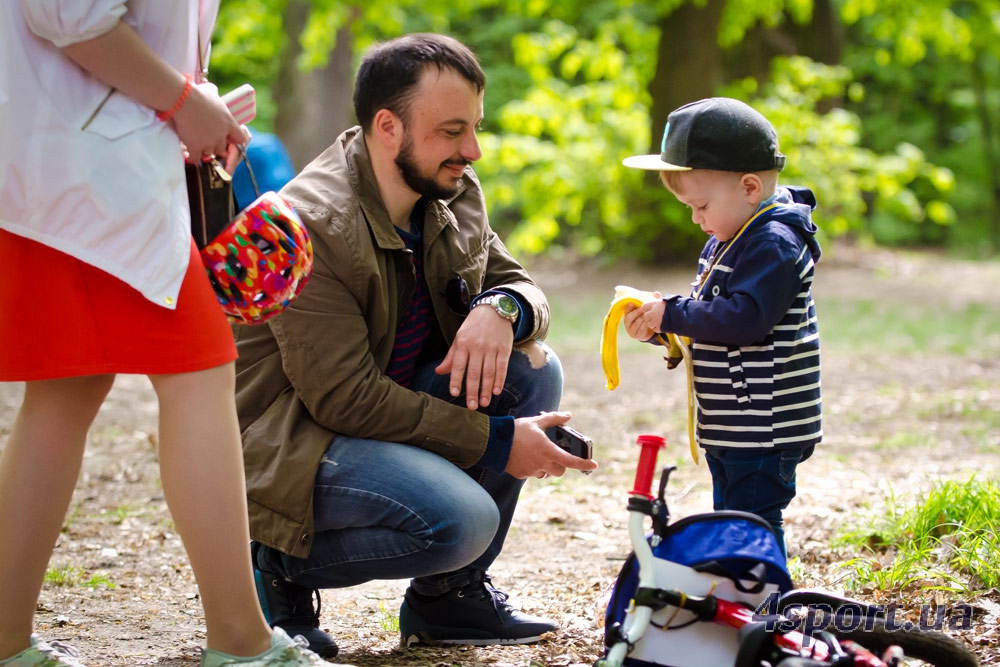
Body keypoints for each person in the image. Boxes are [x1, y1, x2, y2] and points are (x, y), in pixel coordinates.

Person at [232, 32, 598, 656]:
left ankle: (448, 601)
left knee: (532, 371)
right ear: (388, 127)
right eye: (453, 131)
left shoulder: (447, 188)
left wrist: (500, 308)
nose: (473, 150)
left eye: (475, 128)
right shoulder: (307, 222)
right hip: (298, 436)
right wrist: (499, 442)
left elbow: (520, 285)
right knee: (463, 522)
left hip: (388, 402)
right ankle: (277, 561)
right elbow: (344, 399)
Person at [0, 2, 326, 665]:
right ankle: (241, 640)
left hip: (80, 168)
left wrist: (192, 101)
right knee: (199, 368)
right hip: (86, 175)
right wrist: (182, 102)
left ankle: (3, 637)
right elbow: (68, 12)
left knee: (65, 391)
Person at [620, 97, 822, 555]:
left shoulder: (774, 242)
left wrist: (673, 311)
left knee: (751, 523)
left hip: (765, 425)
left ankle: (766, 608)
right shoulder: (728, 236)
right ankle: (738, 598)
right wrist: (660, 329)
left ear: (750, 186)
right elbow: (710, 316)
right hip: (732, 423)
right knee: (730, 515)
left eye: (702, 204)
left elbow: (745, 320)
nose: (696, 218)